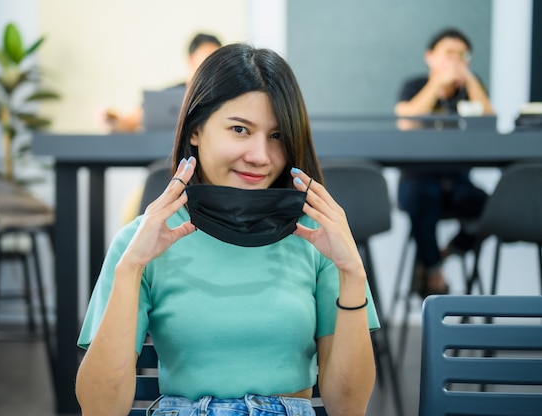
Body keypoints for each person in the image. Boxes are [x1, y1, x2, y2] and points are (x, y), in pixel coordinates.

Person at [76, 43, 380, 416]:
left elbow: (348, 407)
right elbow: (99, 409)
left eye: (277, 136)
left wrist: (352, 273)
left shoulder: (319, 241)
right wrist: (130, 268)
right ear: (196, 130)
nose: (260, 156)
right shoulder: (141, 243)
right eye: (240, 129)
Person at [394, 28, 493, 297]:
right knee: (421, 202)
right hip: (418, 177)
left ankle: (437, 258)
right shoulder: (415, 86)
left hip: (458, 179)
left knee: (489, 209)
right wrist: (437, 84)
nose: (456, 59)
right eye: (449, 53)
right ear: (430, 57)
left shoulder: (472, 90)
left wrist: (470, 81)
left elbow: (489, 125)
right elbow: (406, 121)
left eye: (463, 55)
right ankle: (435, 273)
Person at [105, 32, 222, 132]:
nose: (212, 64)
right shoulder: (167, 96)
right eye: (208, 57)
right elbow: (128, 122)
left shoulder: (222, 95)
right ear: (191, 59)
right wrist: (112, 121)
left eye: (217, 60)